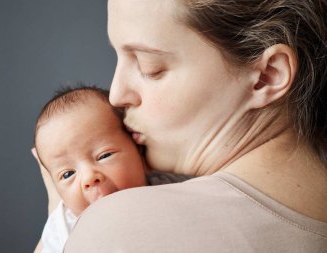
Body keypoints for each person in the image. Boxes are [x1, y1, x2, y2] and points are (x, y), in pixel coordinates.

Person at [62, 0, 327, 252]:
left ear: (267, 76)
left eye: (149, 67)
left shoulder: (119, 228)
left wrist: (61, 225)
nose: (116, 96)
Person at [32, 86, 191, 253]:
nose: (89, 178)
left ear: (139, 151)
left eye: (104, 156)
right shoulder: (62, 228)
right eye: (68, 174)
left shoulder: (170, 188)